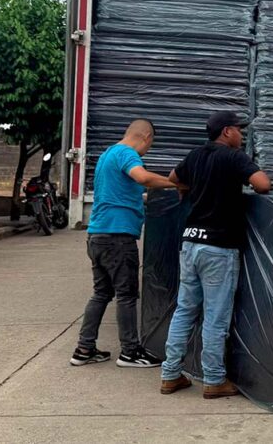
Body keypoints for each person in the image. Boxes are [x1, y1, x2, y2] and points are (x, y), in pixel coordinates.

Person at [159, 111, 272, 398]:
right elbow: (263, 185)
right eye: (238, 129)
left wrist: (190, 189)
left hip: (191, 242)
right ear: (226, 132)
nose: (242, 135)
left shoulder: (195, 155)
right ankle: (214, 380)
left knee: (184, 310)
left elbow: (173, 178)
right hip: (219, 248)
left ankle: (170, 375)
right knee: (215, 316)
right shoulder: (234, 157)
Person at [71, 119, 177, 368]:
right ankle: (130, 352)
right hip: (118, 239)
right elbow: (143, 178)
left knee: (101, 293)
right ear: (146, 137)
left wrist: (149, 199)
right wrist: (176, 184)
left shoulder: (108, 155)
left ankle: (84, 349)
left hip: (97, 236)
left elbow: (122, 192)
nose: (147, 151)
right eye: (150, 145)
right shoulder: (128, 154)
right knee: (127, 295)